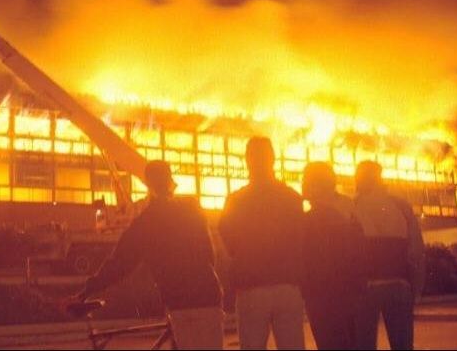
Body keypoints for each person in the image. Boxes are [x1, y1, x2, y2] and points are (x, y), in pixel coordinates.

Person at [71, 160, 224, 350]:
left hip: (180, 302)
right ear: (171, 181)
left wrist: (89, 288)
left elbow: (120, 264)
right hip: (208, 296)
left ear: (149, 184)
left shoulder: (146, 222)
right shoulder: (192, 208)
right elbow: (209, 252)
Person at [219, 136, 305, 350]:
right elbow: (302, 238)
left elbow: (227, 238)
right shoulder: (292, 197)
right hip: (288, 285)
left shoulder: (236, 200)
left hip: (252, 286)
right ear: (273, 159)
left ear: (247, 160)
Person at [354, 161, 425, 350]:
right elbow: (416, 251)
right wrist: (416, 288)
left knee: (363, 344)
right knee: (402, 345)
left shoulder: (353, 207)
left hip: (364, 289)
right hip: (399, 286)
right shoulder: (400, 206)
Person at [301, 162, 366, 350]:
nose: (302, 185)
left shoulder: (311, 220)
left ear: (316, 186)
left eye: (305, 180)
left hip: (322, 299)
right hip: (346, 297)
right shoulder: (347, 215)